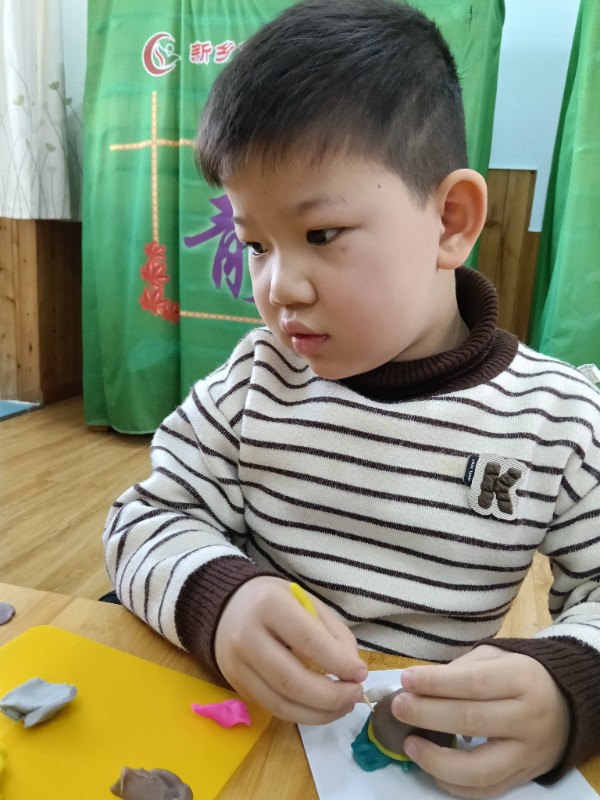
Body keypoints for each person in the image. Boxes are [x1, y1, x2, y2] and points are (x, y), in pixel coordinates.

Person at [103, 1, 600, 796]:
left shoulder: (557, 418)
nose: (279, 287)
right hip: (246, 745)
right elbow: (142, 519)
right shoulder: (256, 380)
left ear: (451, 221)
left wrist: (573, 684)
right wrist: (220, 600)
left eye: (321, 235)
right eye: (255, 244)